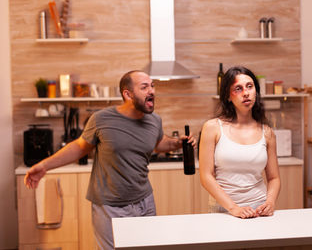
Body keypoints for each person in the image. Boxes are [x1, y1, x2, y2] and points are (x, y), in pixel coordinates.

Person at [24, 70, 196, 249]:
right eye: (144, 87)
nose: (151, 91)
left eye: (152, 86)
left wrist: (178, 143)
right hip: (110, 206)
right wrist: (44, 166)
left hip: (145, 202)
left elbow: (158, 142)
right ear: (127, 94)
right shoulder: (102, 119)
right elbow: (80, 147)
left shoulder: (154, 120)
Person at [199, 66, 280, 219]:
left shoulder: (267, 132)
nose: (246, 92)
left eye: (250, 86)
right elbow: (206, 176)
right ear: (228, 96)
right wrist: (234, 208)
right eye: (238, 88)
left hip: (259, 210)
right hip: (223, 211)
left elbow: (274, 178)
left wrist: (270, 202)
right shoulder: (212, 128)